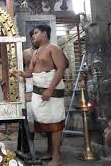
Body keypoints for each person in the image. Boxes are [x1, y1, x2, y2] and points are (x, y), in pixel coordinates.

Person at [12, 25, 67, 166]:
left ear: (45, 33)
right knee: (45, 122)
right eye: (32, 34)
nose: (33, 36)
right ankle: (49, 152)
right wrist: (20, 73)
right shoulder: (36, 53)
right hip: (38, 90)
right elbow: (30, 72)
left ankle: (56, 157)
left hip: (51, 90)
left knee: (55, 124)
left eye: (36, 33)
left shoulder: (53, 48)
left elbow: (60, 69)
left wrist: (50, 89)